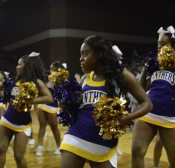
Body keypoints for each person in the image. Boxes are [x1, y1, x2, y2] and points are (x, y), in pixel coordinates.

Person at [59, 35, 152, 168]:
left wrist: (127, 118)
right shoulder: (84, 79)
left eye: (85, 54)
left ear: (98, 54)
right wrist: (65, 104)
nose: (81, 58)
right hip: (76, 136)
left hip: (103, 142)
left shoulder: (122, 75)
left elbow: (147, 103)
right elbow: (76, 108)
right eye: (81, 54)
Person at [135, 26, 175, 168]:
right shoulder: (157, 63)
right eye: (158, 44)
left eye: (163, 43)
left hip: (171, 115)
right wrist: (145, 68)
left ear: (174, 45)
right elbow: (141, 88)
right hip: (149, 111)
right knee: (137, 150)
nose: (159, 46)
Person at [0, 52, 53, 168]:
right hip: (7, 119)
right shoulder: (15, 80)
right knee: (1, 149)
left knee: (18, 156)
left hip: (23, 124)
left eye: (19, 64)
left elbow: (49, 98)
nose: (17, 67)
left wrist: (31, 100)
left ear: (27, 66)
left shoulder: (36, 82)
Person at [36, 61, 63, 156]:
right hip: (43, 103)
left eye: (53, 69)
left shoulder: (61, 79)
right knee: (42, 126)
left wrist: (58, 81)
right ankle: (39, 147)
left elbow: (61, 91)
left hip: (53, 105)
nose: (51, 70)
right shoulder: (46, 76)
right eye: (50, 69)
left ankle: (58, 146)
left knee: (54, 127)